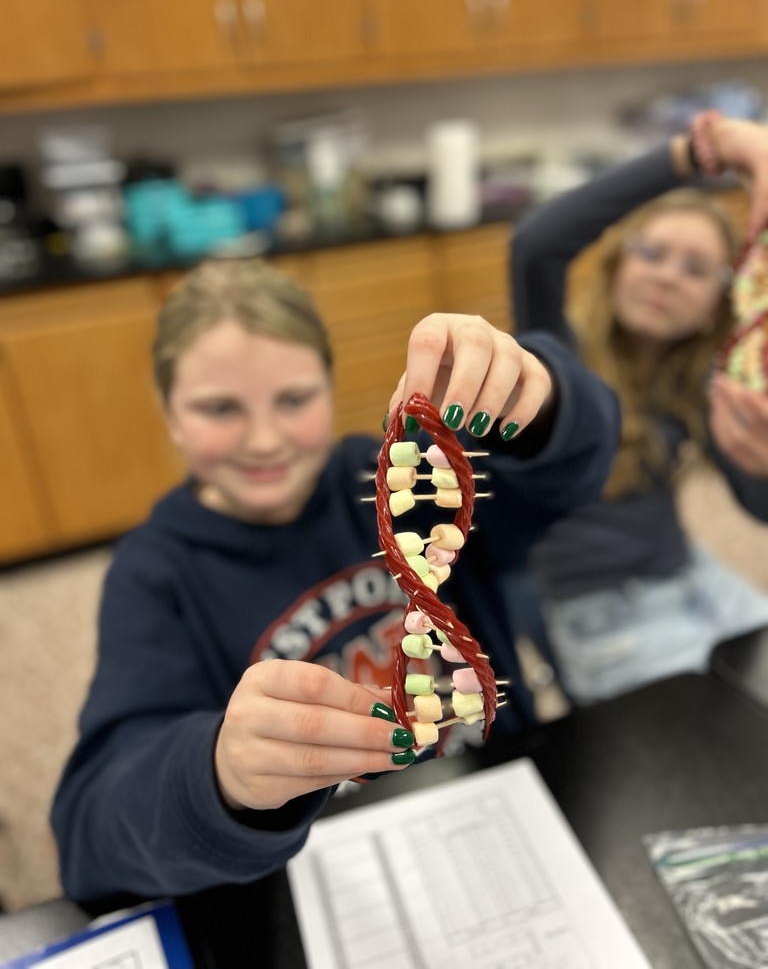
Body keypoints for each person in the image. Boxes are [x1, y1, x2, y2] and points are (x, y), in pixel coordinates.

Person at [51, 258, 619, 907]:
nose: (264, 439)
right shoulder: (156, 575)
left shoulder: (406, 478)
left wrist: (541, 397)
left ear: (330, 385)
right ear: (170, 414)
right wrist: (217, 775)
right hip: (320, 879)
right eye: (219, 408)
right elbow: (90, 836)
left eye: (293, 400)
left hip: (500, 806)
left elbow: (573, 473)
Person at [511, 114, 768, 706]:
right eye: (651, 252)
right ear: (617, 265)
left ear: (714, 305)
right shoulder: (556, 362)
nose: (666, 277)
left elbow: (756, 509)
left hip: (695, 576)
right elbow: (536, 246)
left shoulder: (701, 381)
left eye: (695, 268)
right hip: (601, 612)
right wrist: (700, 153)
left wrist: (761, 465)